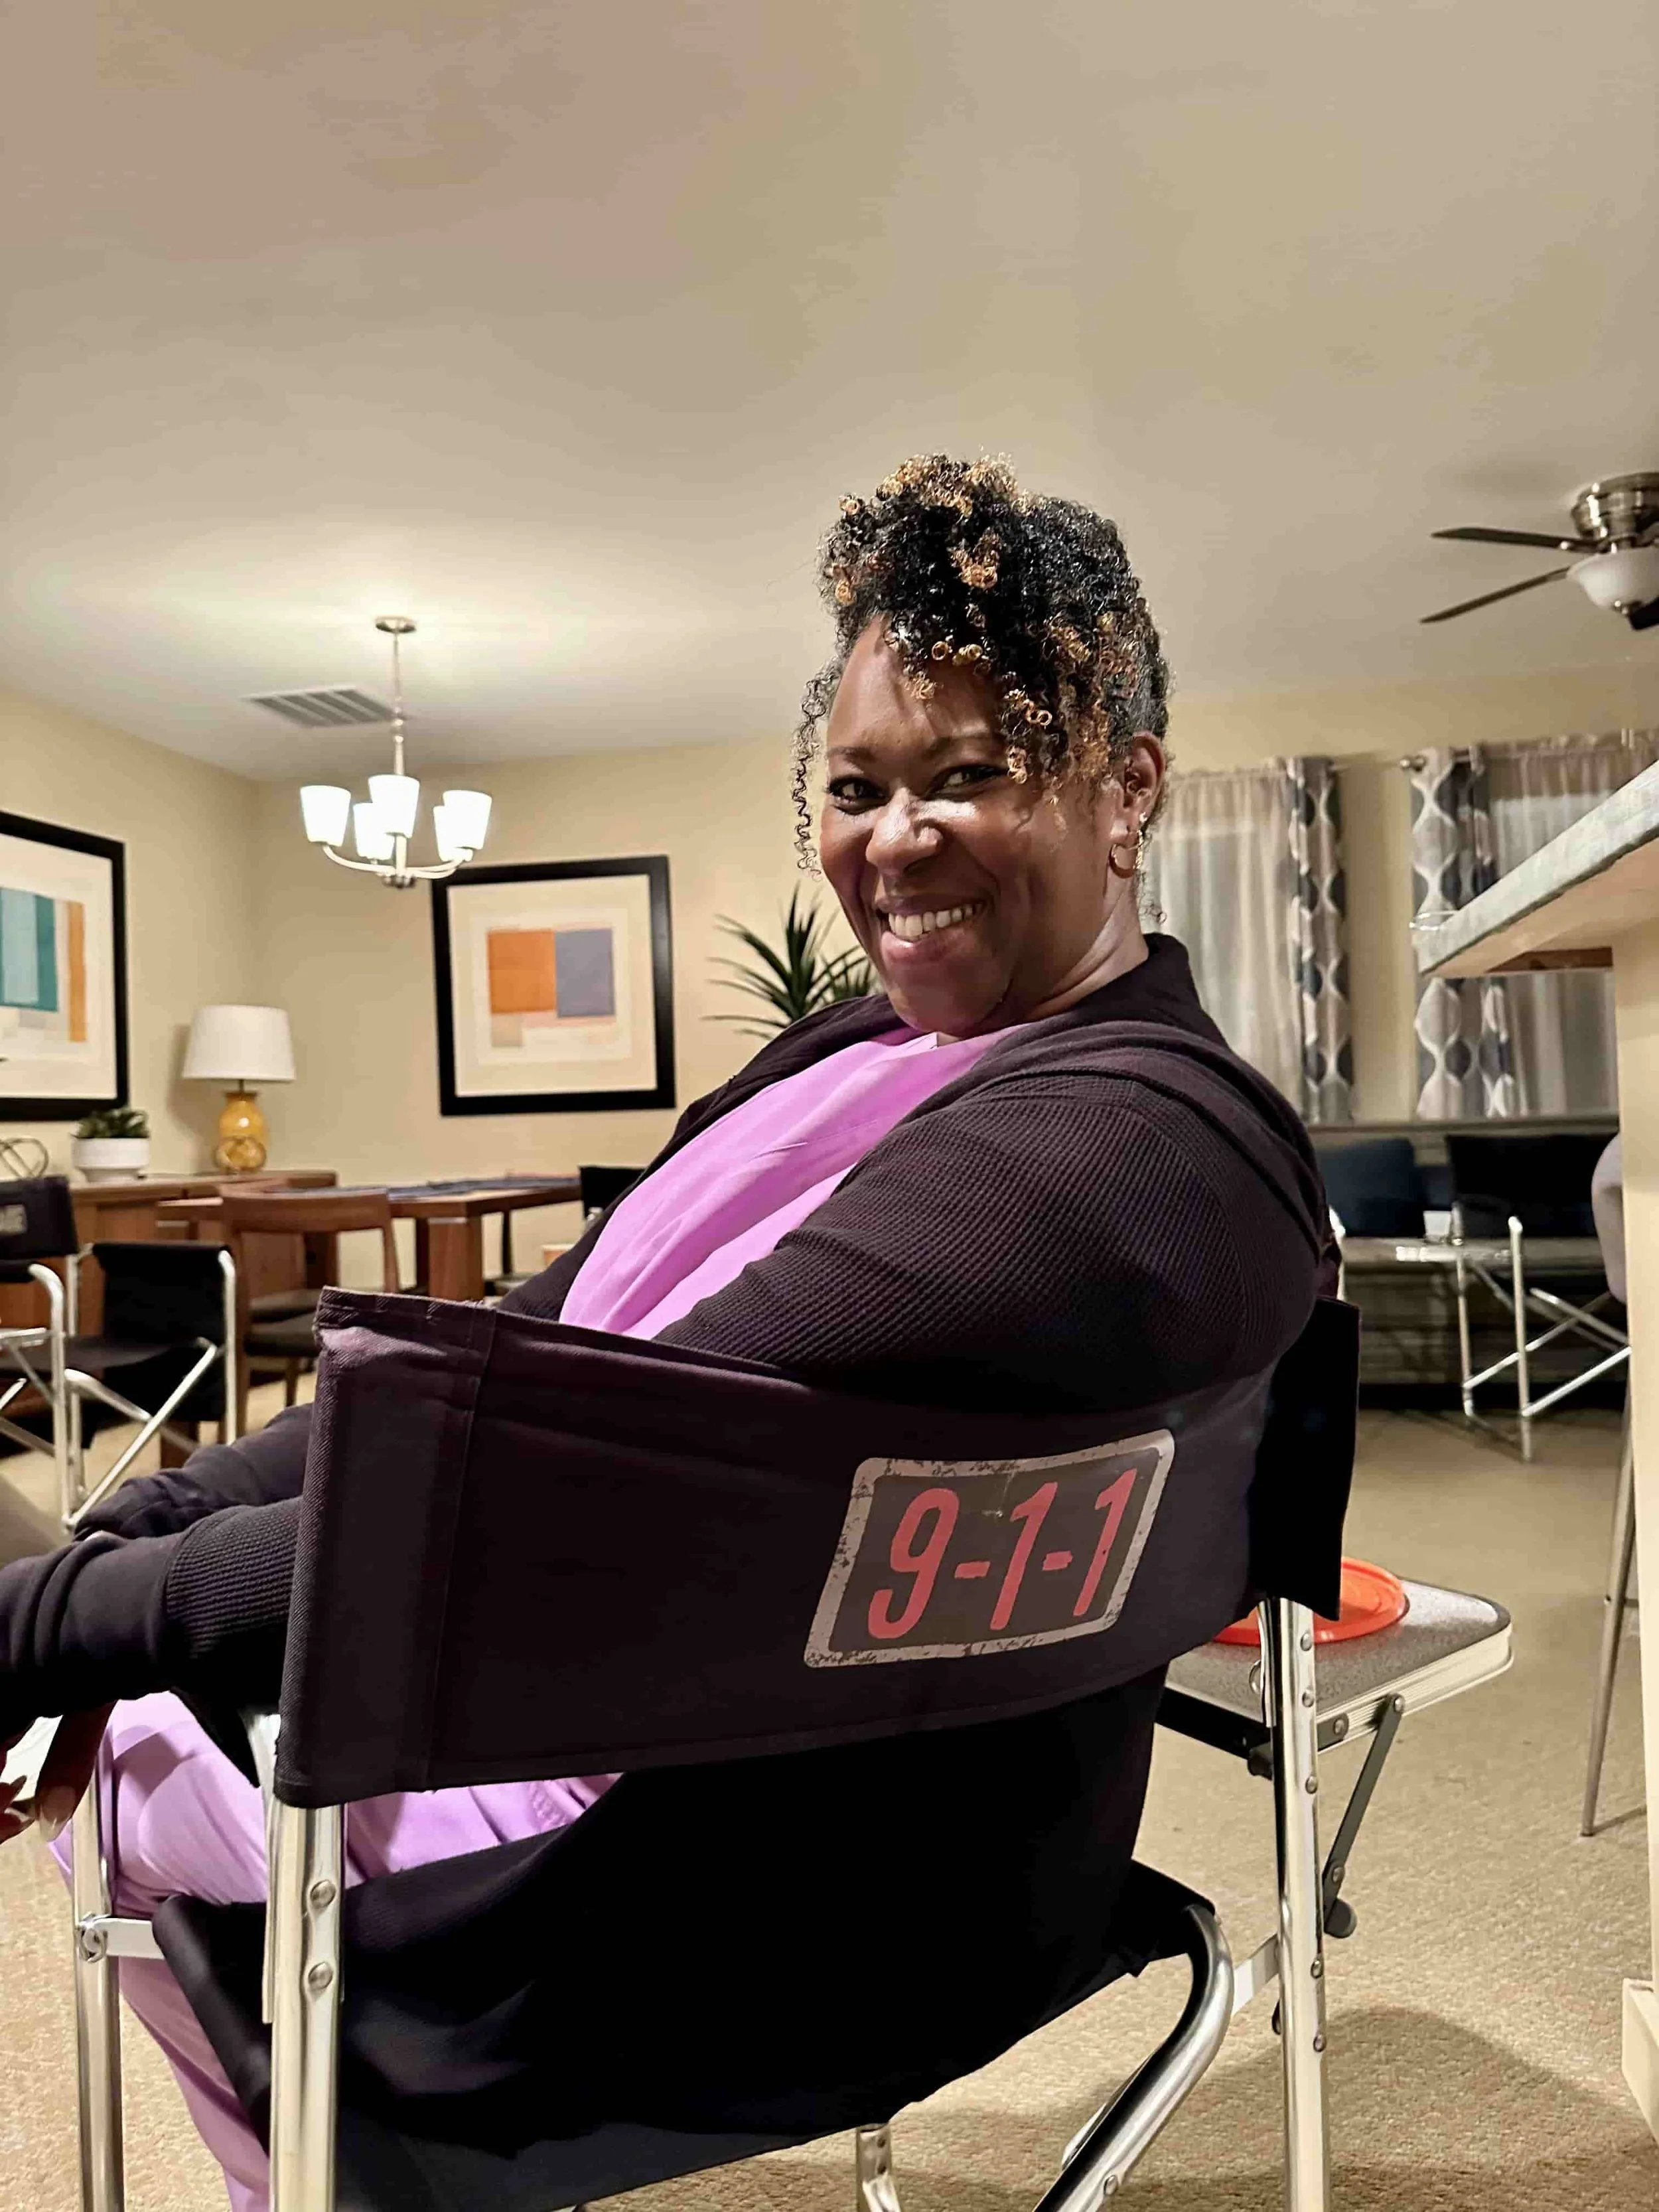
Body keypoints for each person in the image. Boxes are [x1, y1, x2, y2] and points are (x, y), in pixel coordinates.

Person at [0, 455, 1329, 2209]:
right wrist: (126, 1539)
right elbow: (529, 1337)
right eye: (855, 788)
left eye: (969, 776)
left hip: (777, 1889)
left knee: (131, 1770)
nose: (893, 839)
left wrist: (49, 1630)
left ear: (1126, 785)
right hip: (686, 1736)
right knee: (143, 1653)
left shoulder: (1124, 1146)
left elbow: (520, 1477)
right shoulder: (864, 1049)